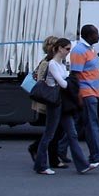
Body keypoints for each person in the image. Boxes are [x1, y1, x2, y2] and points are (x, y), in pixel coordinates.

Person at [33, 38, 97, 175]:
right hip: (55, 102)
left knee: (72, 133)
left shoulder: (61, 64)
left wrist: (69, 81)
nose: (68, 52)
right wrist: (70, 81)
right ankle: (41, 165)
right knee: (49, 134)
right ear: (60, 49)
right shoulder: (52, 64)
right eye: (67, 49)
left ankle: (82, 165)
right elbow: (63, 84)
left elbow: (66, 81)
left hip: (62, 102)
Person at [70, 24, 99, 167]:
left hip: (93, 91)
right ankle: (95, 156)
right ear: (88, 36)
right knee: (92, 125)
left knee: (77, 124)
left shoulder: (90, 49)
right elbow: (76, 75)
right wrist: (79, 95)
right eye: (96, 33)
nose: (98, 36)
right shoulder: (80, 51)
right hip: (86, 93)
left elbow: (92, 72)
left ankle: (60, 151)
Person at [27, 35, 69, 168]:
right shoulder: (47, 63)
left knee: (55, 131)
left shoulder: (57, 62)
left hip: (55, 99)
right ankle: (47, 156)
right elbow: (42, 83)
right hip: (49, 100)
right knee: (52, 132)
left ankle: (52, 156)